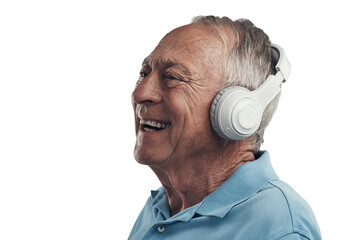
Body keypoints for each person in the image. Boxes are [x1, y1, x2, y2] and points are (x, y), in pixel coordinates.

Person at [128, 15, 321, 240]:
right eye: (144, 74)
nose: (140, 93)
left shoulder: (278, 227)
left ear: (236, 112)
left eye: (172, 77)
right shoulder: (160, 208)